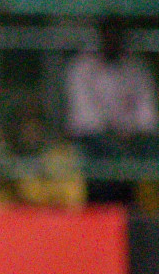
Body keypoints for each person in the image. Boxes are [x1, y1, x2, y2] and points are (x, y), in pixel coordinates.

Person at [65, 15, 158, 203]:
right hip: (94, 142)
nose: (113, 39)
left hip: (133, 143)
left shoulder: (136, 68)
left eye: (118, 34)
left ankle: (139, 212)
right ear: (100, 36)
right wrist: (114, 136)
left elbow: (148, 117)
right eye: (109, 34)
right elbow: (85, 120)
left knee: (148, 153)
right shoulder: (81, 68)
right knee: (105, 156)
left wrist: (131, 134)